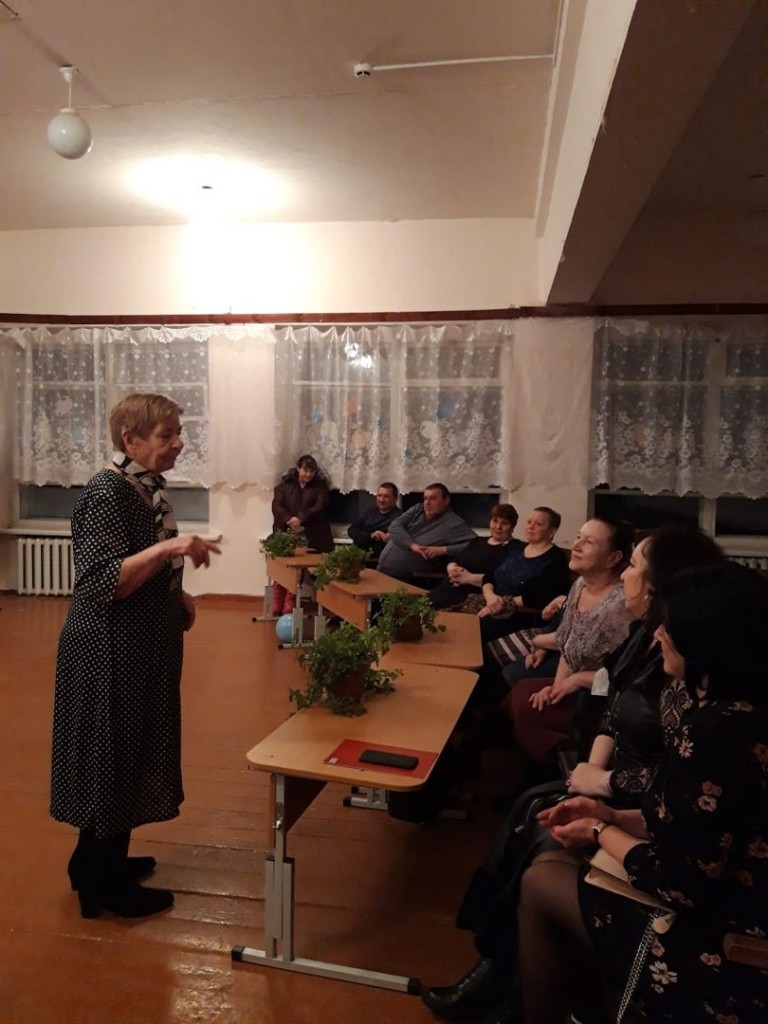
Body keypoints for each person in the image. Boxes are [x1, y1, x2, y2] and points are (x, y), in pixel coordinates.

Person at [421, 526, 727, 1023]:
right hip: (624, 788)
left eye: (633, 566)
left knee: (542, 830)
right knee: (531, 809)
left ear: (660, 585)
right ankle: (497, 967)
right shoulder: (648, 636)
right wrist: (594, 770)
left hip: (653, 834)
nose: (625, 575)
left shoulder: (693, 677)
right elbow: (615, 708)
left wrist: (604, 805)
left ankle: (506, 981)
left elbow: (676, 802)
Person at [521, 561, 768, 1024]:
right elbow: (691, 823)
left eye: (668, 629)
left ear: (705, 638)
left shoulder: (717, 731)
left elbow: (681, 881)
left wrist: (599, 830)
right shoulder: (734, 709)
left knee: (541, 883)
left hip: (729, 942)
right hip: (724, 896)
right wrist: (611, 817)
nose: (658, 636)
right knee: (547, 857)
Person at [50, 394, 221, 919]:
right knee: (112, 755)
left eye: (178, 433)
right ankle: (100, 886)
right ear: (131, 440)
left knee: (126, 753)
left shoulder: (143, 488)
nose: (179, 443)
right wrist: (170, 549)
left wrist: (176, 594)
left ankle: (97, 862)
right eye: (167, 435)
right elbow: (103, 581)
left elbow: (134, 566)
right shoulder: (107, 493)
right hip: (107, 651)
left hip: (137, 647)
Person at [474, 507, 571, 639]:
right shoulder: (516, 549)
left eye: (538, 524)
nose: (530, 527)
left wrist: (501, 604)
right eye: (529, 522)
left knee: (474, 628)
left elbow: (540, 596)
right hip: (490, 603)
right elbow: (489, 576)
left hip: (521, 616)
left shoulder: (556, 559)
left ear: (551, 531)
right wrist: (490, 596)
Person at [376, 482, 476, 584]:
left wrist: (443, 550)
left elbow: (476, 546)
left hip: (408, 580)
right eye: (425, 498)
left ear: (446, 501)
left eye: (433, 498)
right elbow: (394, 526)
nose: (427, 503)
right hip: (381, 571)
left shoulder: (453, 523)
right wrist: (413, 545)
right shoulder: (418, 509)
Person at [270, 454, 334, 615]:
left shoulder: (320, 486)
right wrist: (288, 519)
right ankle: (278, 601)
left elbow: (319, 507)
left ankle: (290, 600)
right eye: (305, 470)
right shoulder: (285, 484)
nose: (308, 474)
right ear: (298, 469)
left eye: (311, 471)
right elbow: (277, 505)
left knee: (300, 569)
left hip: (311, 533)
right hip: (285, 531)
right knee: (282, 567)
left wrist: (301, 519)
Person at [428, 504, 519, 610]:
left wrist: (469, 578)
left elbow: (503, 580)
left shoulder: (515, 549)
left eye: (505, 523)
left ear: (512, 527)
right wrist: (452, 569)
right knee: (414, 604)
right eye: (495, 521)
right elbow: (455, 560)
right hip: (446, 589)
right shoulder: (477, 541)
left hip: (469, 599)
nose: (498, 527)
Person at [346, 482, 400, 562]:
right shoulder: (370, 512)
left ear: (395, 499)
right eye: (379, 495)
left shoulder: (399, 518)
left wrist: (392, 537)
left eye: (386, 497)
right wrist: (371, 535)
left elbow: (404, 539)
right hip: (360, 558)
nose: (381, 500)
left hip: (381, 561)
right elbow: (352, 531)